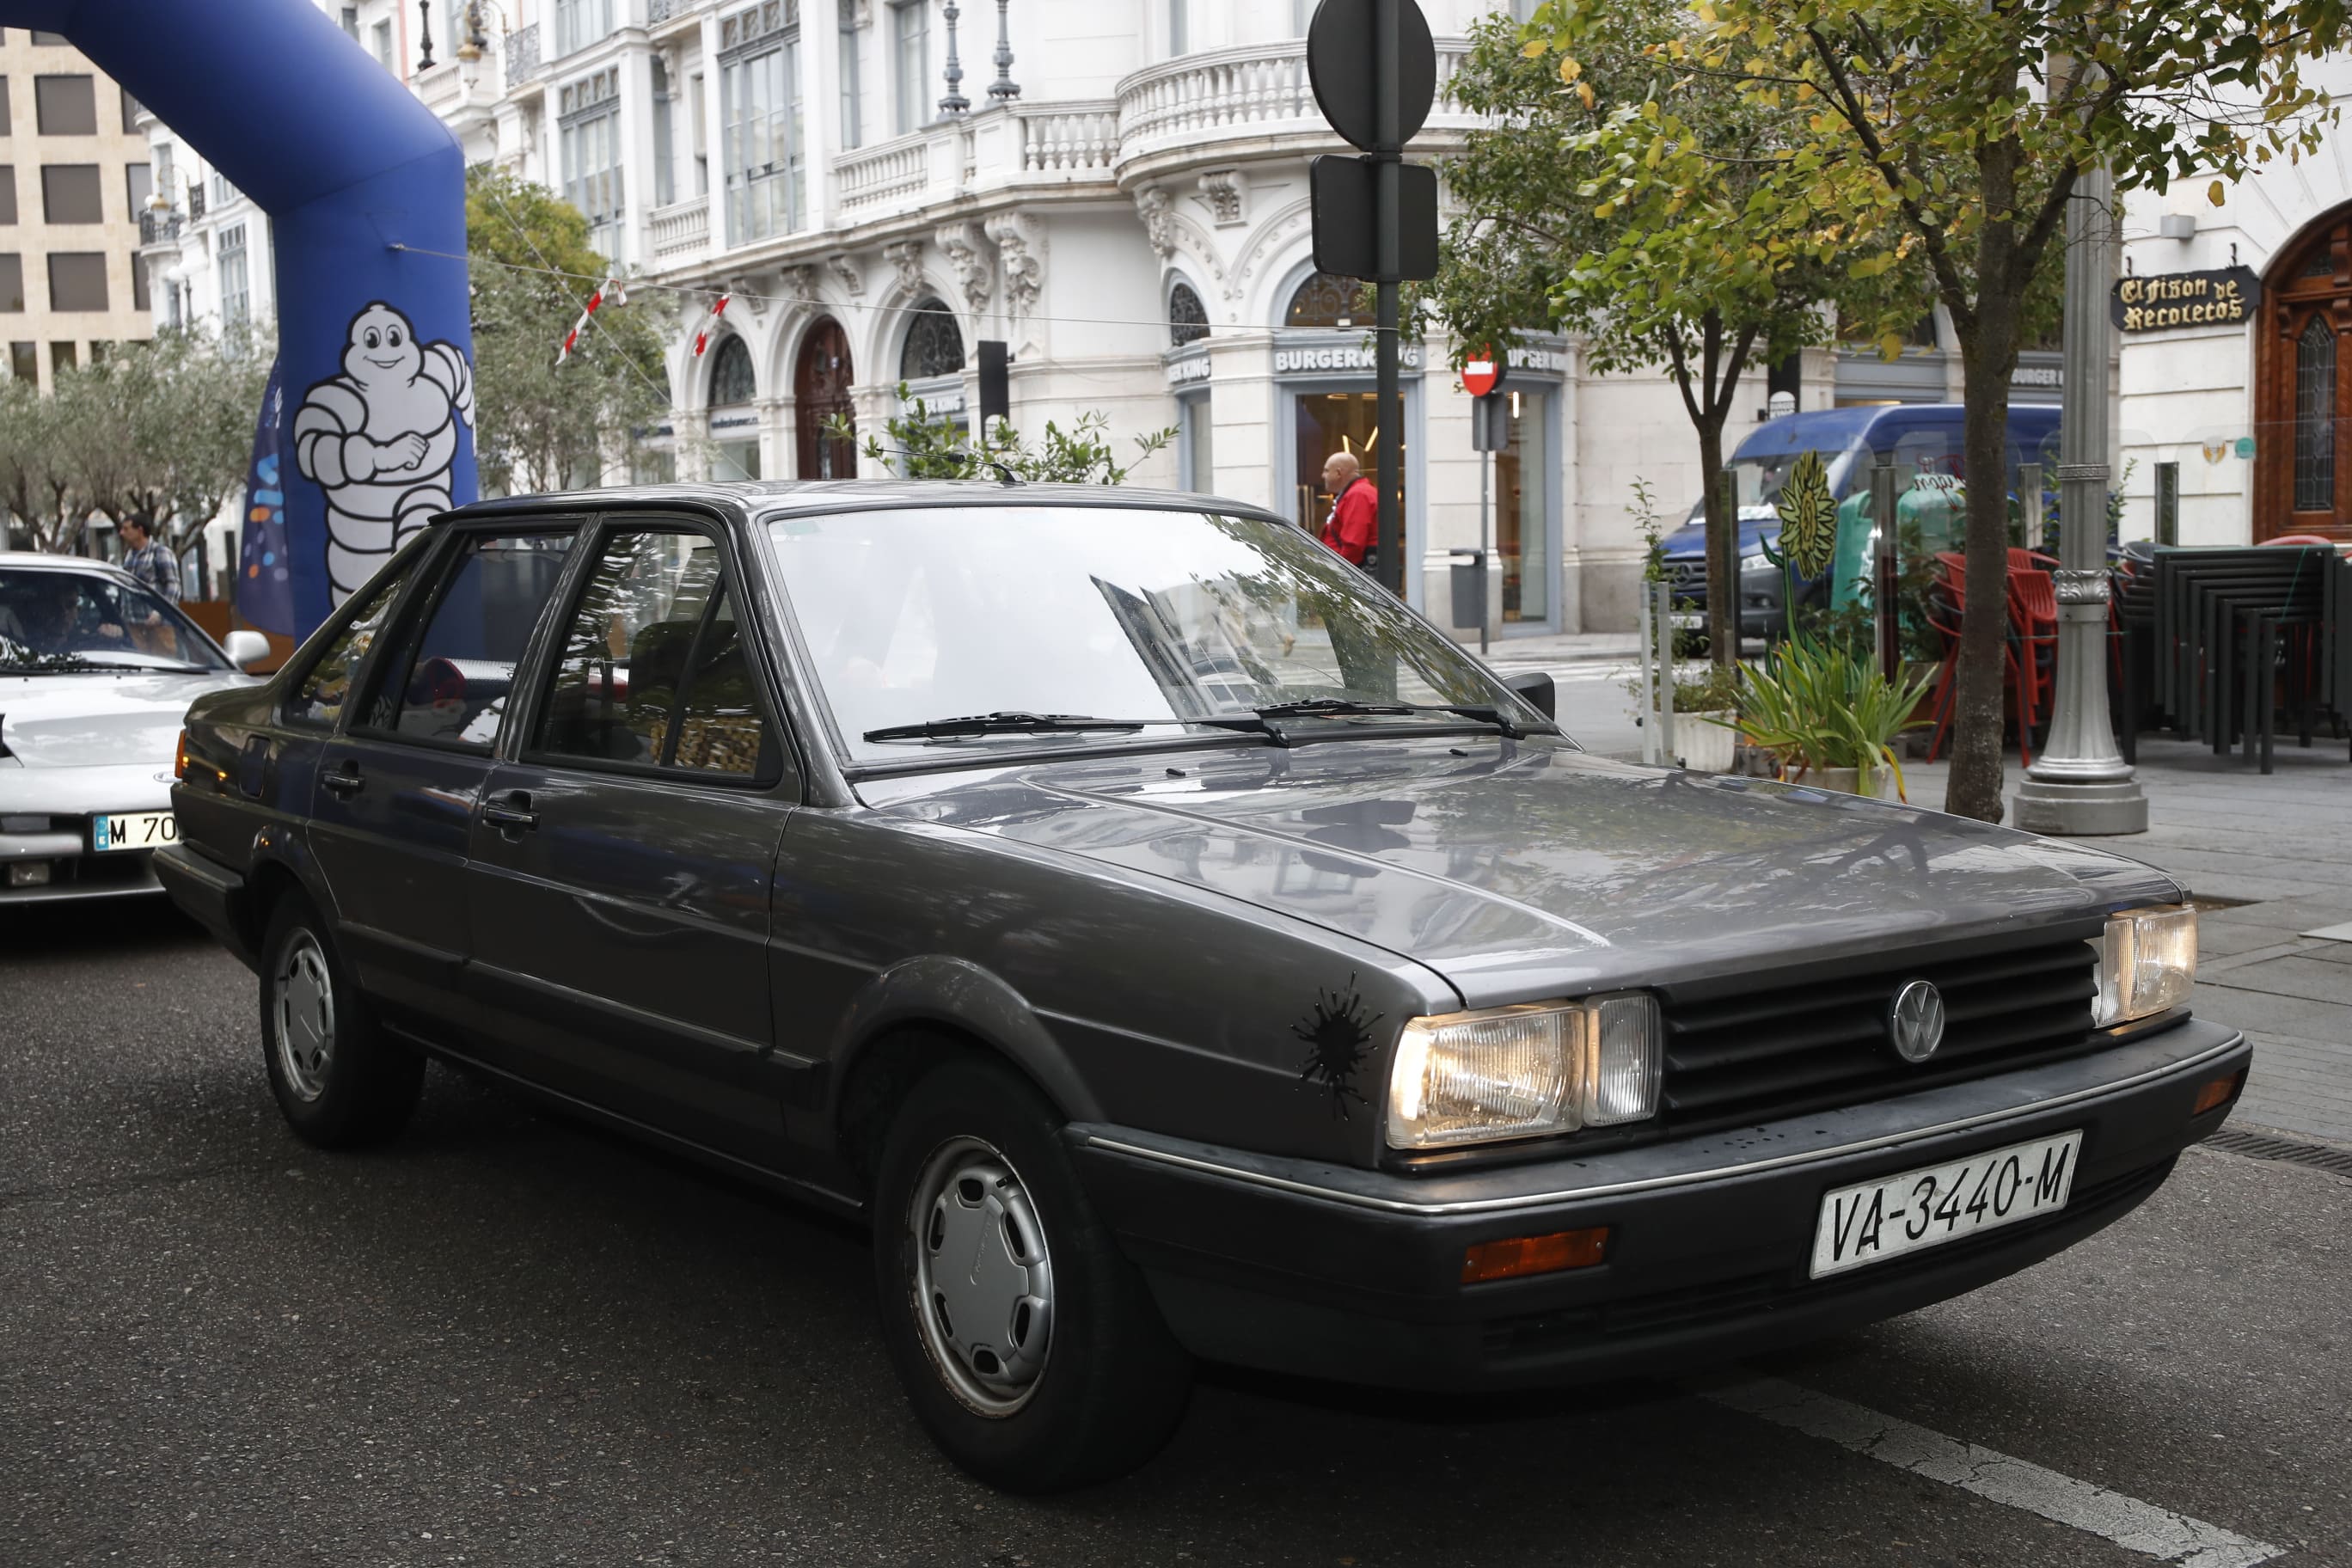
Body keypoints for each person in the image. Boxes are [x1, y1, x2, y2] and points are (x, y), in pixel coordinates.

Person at [1317, 450, 1377, 569]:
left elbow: (1353, 544)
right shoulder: (1358, 493)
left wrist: (1338, 572)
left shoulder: (1358, 495)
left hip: (1351, 571)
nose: (1323, 476)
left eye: (1327, 471)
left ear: (1339, 473)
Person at [117, 514, 181, 606]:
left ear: (140, 530)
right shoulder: (129, 555)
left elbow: (174, 585)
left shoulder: (160, 553)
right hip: (131, 618)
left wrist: (161, 612)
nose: (122, 533)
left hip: (154, 617)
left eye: (126, 529)